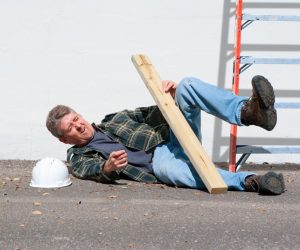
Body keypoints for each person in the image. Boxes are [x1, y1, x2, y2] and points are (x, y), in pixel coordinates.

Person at [46, 75, 285, 195]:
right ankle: (250, 181)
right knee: (170, 171)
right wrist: (107, 168)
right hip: (159, 161)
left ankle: (248, 112)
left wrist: (170, 98)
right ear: (64, 139)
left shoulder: (113, 119)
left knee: (187, 85)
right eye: (70, 128)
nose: (78, 125)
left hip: (173, 135)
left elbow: (154, 112)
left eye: (76, 118)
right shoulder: (78, 155)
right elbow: (88, 170)